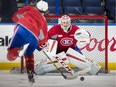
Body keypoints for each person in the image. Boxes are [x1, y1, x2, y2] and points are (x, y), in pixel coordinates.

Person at [35, 15, 105, 75]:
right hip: (58, 50)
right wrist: (42, 45)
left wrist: (86, 36)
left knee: (81, 58)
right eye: (63, 22)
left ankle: (95, 69)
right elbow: (46, 39)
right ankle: (38, 68)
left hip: (72, 49)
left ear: (70, 22)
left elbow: (85, 38)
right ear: (61, 22)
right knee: (55, 58)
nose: (65, 24)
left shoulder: (76, 29)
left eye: (66, 22)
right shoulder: (54, 29)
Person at [7, 0, 48, 83]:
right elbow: (42, 38)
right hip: (34, 37)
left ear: (36, 6)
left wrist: (21, 21)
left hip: (23, 28)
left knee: (10, 54)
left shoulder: (30, 8)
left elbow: (15, 16)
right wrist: (39, 45)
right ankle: (30, 73)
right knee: (29, 55)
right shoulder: (44, 21)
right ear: (45, 11)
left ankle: (18, 51)